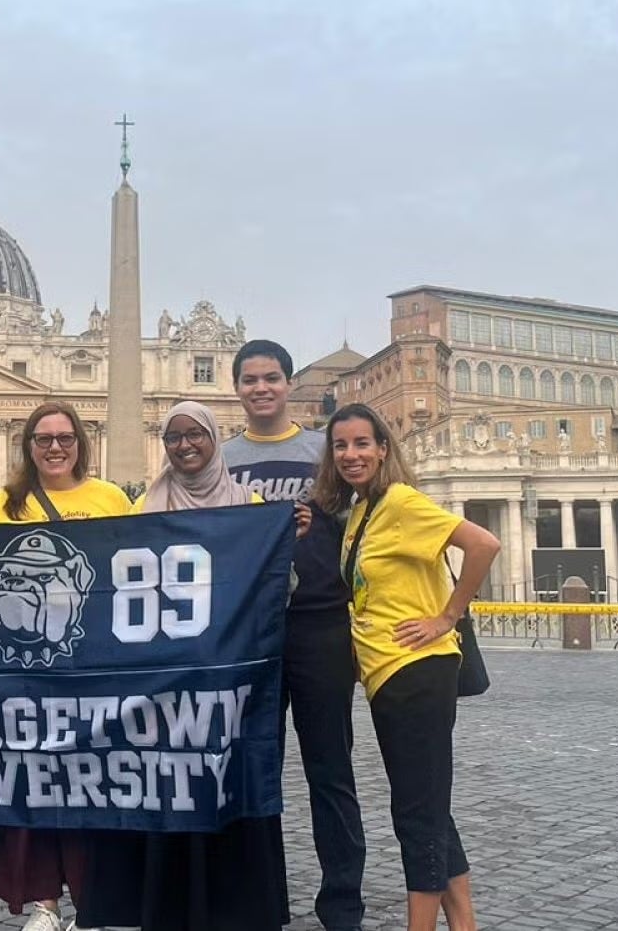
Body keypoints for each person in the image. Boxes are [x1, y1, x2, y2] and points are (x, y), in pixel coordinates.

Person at [81, 400, 291, 931]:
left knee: (224, 784)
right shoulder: (144, 509)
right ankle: (160, 904)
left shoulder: (252, 504)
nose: (184, 445)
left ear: (214, 439)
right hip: (161, 682)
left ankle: (231, 906)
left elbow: (276, 585)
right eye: (174, 437)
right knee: (165, 783)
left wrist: (290, 535)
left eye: (194, 434)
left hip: (229, 683)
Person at [312, 404, 499, 931]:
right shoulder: (361, 513)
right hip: (386, 675)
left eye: (361, 444)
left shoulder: (400, 502)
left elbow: (483, 544)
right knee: (428, 803)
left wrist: (447, 615)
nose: (351, 455)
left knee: (415, 814)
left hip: (416, 671)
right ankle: (464, 925)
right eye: (341, 446)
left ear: (383, 449)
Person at [222, 339, 364, 931]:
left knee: (331, 767)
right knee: (257, 767)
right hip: (251, 629)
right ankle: (261, 901)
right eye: (251, 379)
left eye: (272, 378)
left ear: (288, 383)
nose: (262, 388)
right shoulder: (220, 455)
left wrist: (317, 521)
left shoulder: (322, 450)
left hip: (319, 622)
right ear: (238, 388)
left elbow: (360, 525)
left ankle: (342, 903)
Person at [0, 401, 131, 931]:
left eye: (65, 437)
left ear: (81, 443)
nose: (55, 447)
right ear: (28, 445)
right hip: (21, 673)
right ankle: (44, 902)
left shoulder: (109, 498)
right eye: (44, 439)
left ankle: (94, 897)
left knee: (89, 781)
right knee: (33, 783)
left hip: (91, 670)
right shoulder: (2, 504)